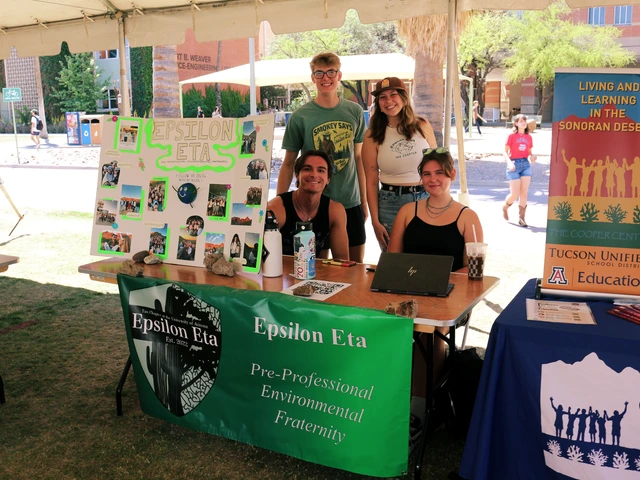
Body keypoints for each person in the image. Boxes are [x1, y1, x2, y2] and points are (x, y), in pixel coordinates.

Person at [387, 147, 483, 394]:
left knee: (429, 332)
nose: (432, 179)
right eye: (427, 173)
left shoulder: (467, 216)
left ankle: (423, 402)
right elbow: (392, 259)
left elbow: (474, 270)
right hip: (407, 292)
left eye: (439, 172)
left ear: (451, 174)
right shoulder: (408, 211)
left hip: (449, 299)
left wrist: (438, 279)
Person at [278, 52, 367, 263]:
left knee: (353, 268)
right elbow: (289, 162)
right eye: (319, 73)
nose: (325, 78)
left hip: (350, 201)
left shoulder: (354, 111)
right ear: (313, 78)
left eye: (331, 72)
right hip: (316, 205)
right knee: (318, 268)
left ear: (339, 75)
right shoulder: (301, 116)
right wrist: (283, 203)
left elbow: (359, 158)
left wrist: (363, 202)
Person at [362, 76, 437, 251]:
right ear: (378, 103)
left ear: (403, 97)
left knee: (428, 257)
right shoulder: (372, 135)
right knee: (395, 263)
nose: (388, 101)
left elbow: (437, 167)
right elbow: (371, 181)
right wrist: (375, 221)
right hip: (390, 202)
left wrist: (443, 201)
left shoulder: (422, 125)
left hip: (426, 199)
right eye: (382, 97)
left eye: (393, 95)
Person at [268, 150, 349, 261]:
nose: (314, 174)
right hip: (278, 272)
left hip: (312, 274)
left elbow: (342, 260)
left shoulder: (335, 211)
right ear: (297, 175)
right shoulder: (276, 208)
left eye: (321, 170)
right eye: (307, 169)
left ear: (328, 179)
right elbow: (259, 258)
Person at [502, 114, 537, 227]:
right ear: (516, 123)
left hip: (525, 164)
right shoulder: (511, 136)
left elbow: (530, 152)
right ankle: (505, 206)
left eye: (525, 121)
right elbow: (504, 152)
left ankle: (521, 218)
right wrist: (510, 163)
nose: (523, 122)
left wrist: (532, 157)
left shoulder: (529, 137)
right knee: (515, 194)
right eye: (521, 121)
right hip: (514, 164)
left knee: (524, 193)